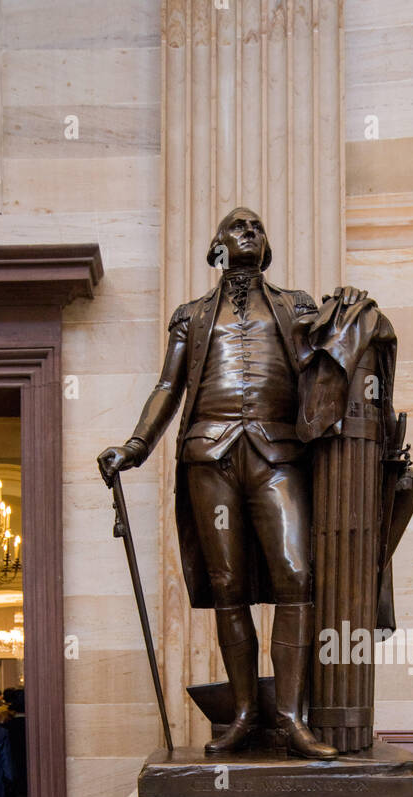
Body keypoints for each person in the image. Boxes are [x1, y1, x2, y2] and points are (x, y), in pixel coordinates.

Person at [97, 206, 378, 759]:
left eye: (258, 227)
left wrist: (348, 311)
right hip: (209, 453)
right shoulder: (192, 315)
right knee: (227, 585)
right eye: (237, 225)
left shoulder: (296, 305)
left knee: (296, 575)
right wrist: (134, 446)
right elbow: (166, 387)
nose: (250, 231)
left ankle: (292, 718)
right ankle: (247, 714)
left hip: (277, 453)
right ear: (216, 244)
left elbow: (327, 359)